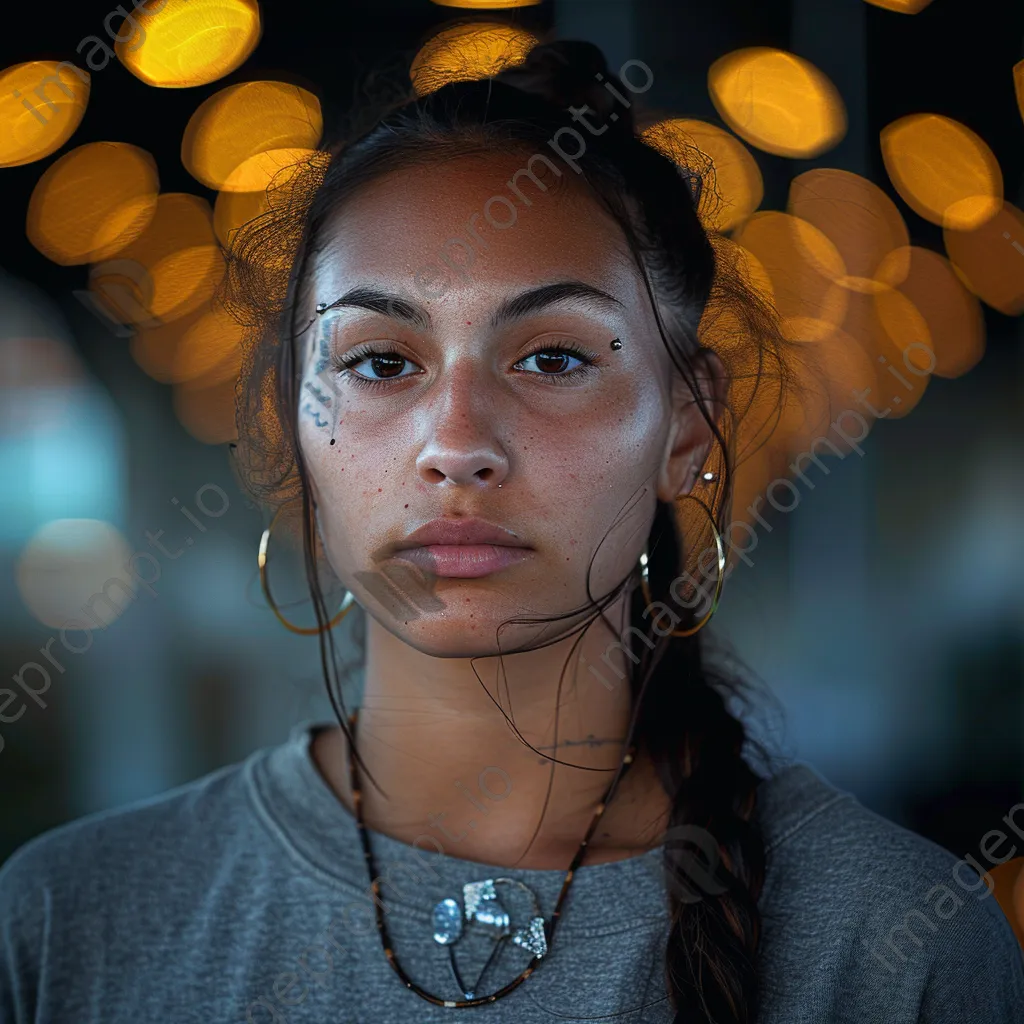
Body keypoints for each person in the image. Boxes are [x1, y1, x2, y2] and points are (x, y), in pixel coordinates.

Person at [1, 39, 1021, 1024]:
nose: (455, 445)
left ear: (687, 425)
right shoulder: (69, 920)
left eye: (553, 358)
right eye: (381, 361)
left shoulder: (891, 939)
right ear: (289, 421)